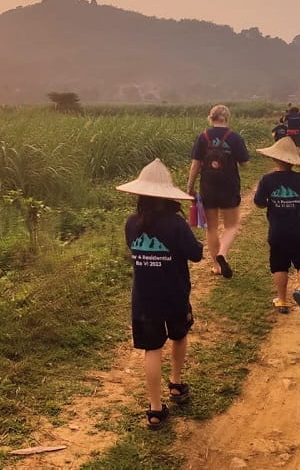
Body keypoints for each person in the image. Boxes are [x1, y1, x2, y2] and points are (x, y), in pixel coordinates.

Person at [117, 158, 203, 430]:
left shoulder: (132, 223)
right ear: (167, 195)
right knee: (179, 335)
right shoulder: (176, 224)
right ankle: (176, 384)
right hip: (175, 295)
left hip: (144, 299)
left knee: (151, 350)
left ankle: (155, 409)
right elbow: (197, 254)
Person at [253, 137, 300, 319]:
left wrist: (273, 202)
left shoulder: (267, 180)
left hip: (277, 232)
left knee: (279, 265)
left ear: (273, 158)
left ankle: (282, 300)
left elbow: (259, 203)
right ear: (294, 162)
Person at [186, 104, 250, 279]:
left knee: (212, 228)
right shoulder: (235, 137)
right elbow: (245, 163)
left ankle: (216, 266)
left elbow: (195, 163)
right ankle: (222, 253)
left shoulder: (203, 137)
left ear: (211, 118)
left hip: (208, 187)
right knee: (231, 225)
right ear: (226, 118)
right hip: (229, 187)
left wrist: (189, 186)